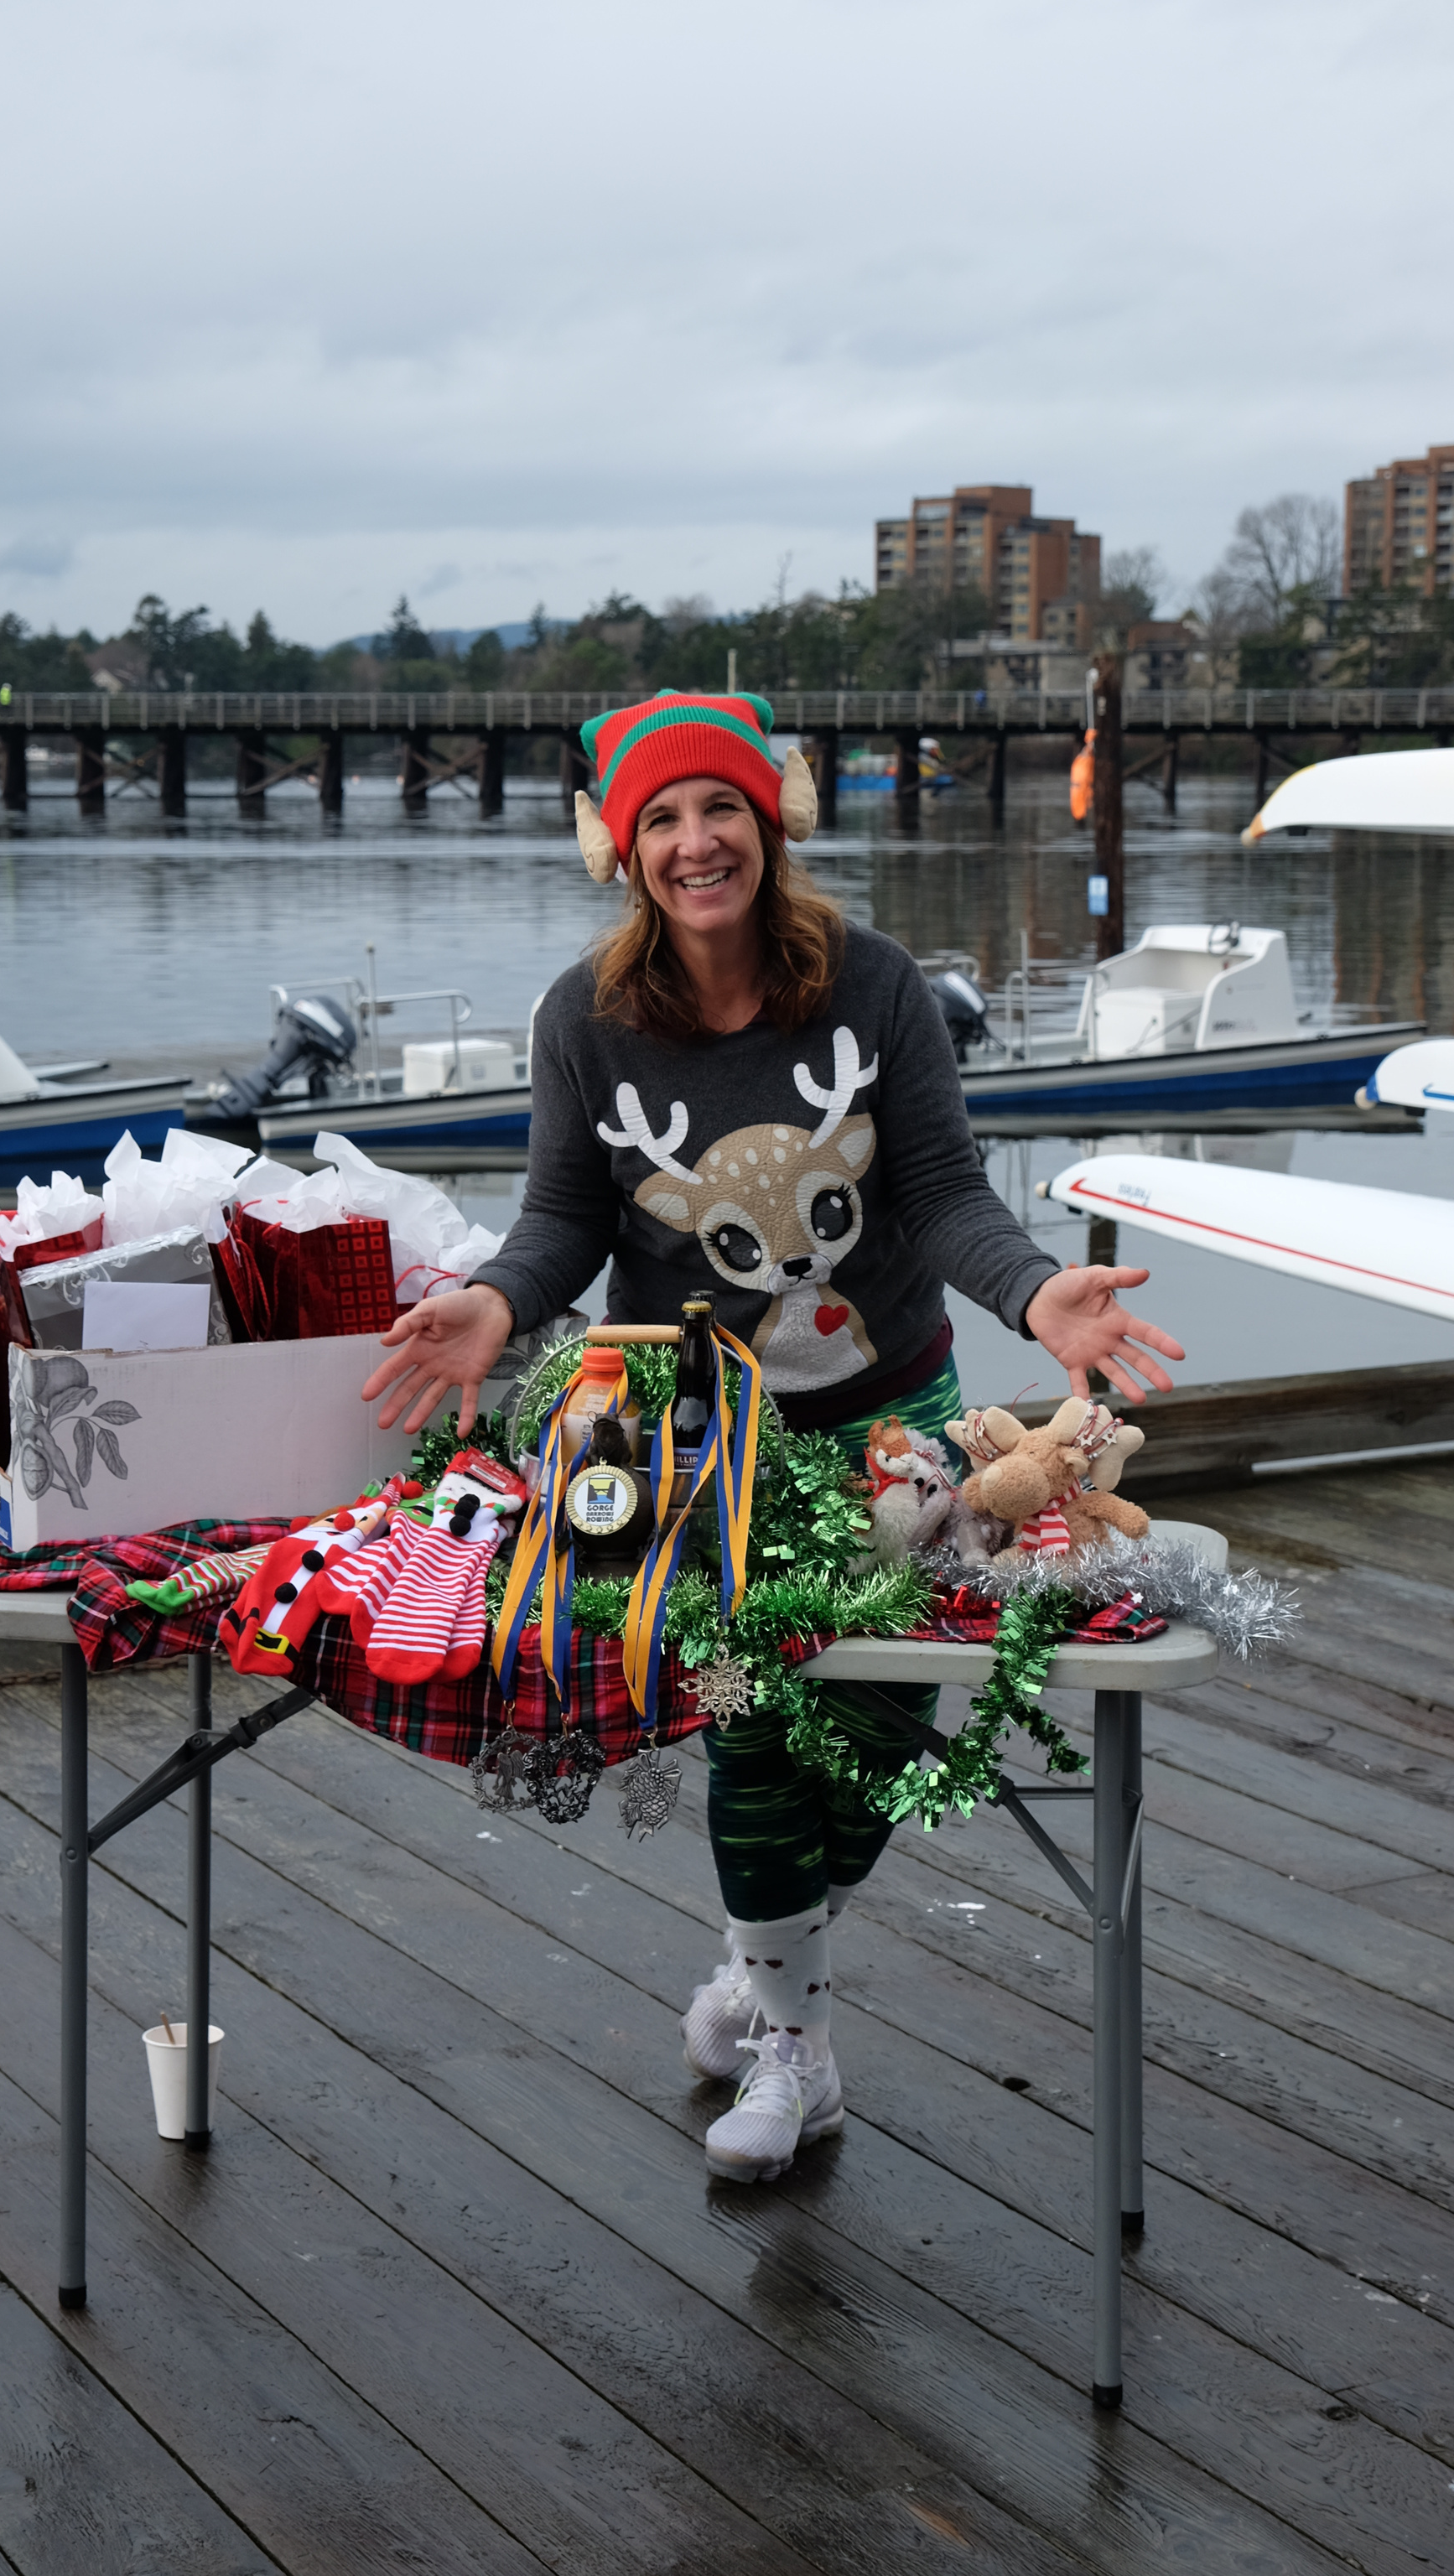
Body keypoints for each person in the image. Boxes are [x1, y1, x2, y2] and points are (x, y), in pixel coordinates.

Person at [361, 690, 1183, 2184]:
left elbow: (940, 1195)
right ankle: (801, 2058)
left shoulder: (875, 989)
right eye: (662, 819)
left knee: (879, 1735)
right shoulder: (583, 1017)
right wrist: (493, 1305)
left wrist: (1034, 1294)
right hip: (703, 1448)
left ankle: (758, 1976)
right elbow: (563, 1223)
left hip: (899, 1426)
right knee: (751, 1715)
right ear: (623, 851)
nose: (695, 842)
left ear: (770, 823)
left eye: (720, 808)